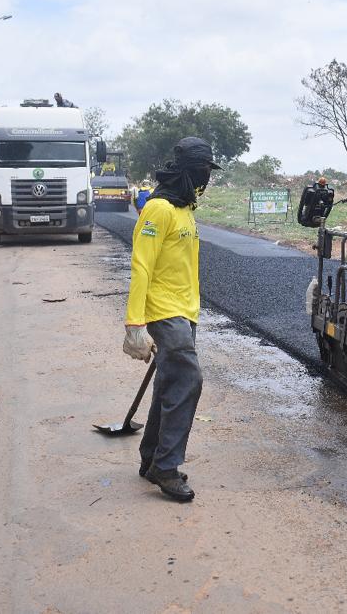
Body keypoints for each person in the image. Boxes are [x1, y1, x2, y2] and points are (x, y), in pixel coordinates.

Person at [123, 137, 221, 502]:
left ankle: (151, 460)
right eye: (202, 173)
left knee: (168, 384)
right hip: (165, 311)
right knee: (188, 379)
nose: (205, 180)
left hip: (185, 310)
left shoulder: (184, 210)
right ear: (187, 173)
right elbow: (141, 265)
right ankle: (167, 468)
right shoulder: (159, 210)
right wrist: (134, 324)